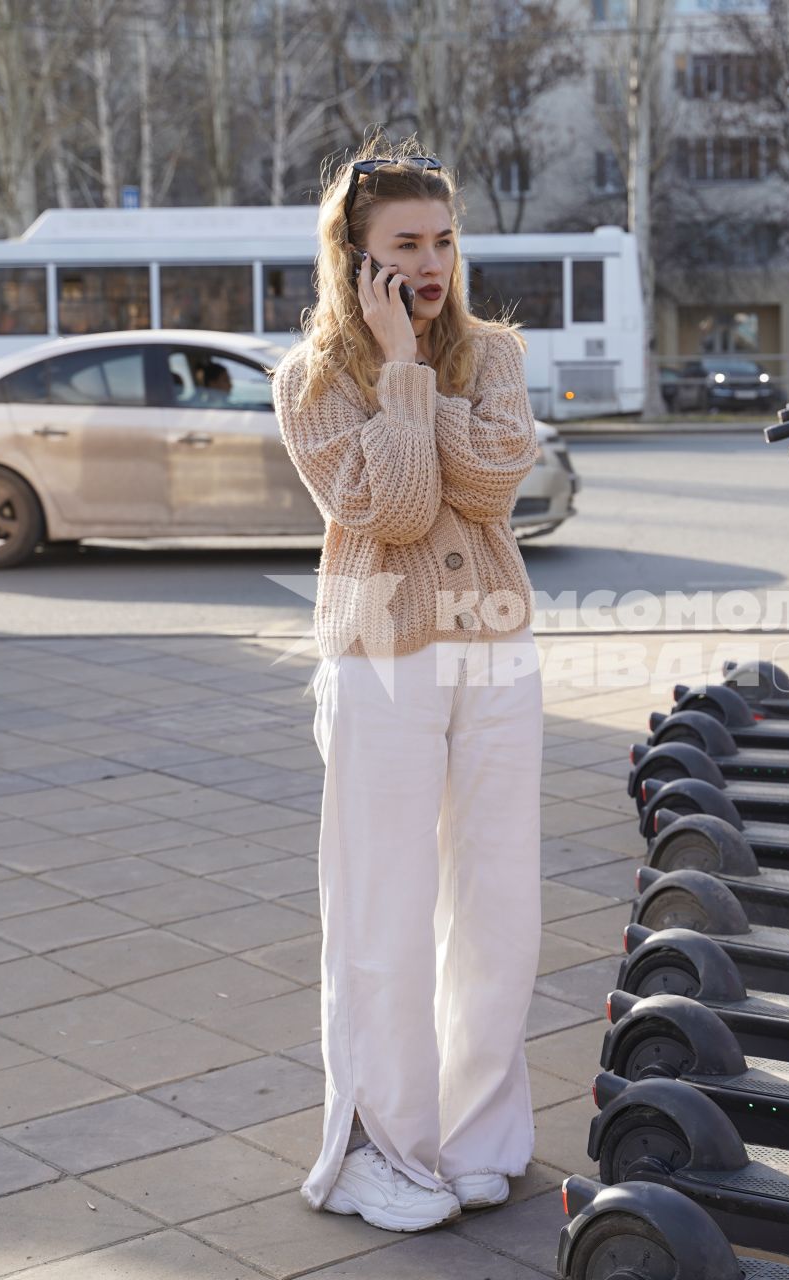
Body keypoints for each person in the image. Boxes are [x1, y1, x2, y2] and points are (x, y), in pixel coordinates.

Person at [270, 135, 542, 1235]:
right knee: (380, 906)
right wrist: (403, 372)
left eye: (443, 240)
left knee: (497, 902)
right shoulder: (311, 380)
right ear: (355, 254)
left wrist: (424, 400)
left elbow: (489, 478)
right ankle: (378, 1147)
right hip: (379, 649)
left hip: (494, 644)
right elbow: (390, 512)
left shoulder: (498, 353)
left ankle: (476, 1133)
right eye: (405, 245)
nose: (430, 264)